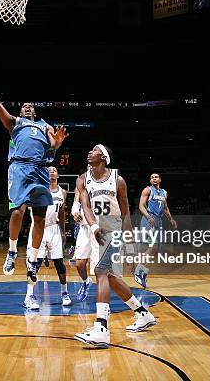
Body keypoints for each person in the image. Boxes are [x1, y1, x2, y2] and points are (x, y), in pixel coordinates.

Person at [0, 62, 68, 310]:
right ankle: (11, 251)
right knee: (18, 211)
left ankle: (32, 260)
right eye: (24, 105)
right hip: (20, 169)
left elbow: (52, 147)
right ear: (21, 111)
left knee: (39, 219)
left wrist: (58, 143)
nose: (28, 105)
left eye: (31, 104)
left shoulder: (45, 126)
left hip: (40, 170)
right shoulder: (14, 123)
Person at [74, 145, 156, 349]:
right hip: (96, 232)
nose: (89, 152)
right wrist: (93, 226)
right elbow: (85, 205)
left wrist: (130, 249)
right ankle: (142, 314)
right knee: (109, 277)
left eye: (93, 150)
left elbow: (126, 213)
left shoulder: (118, 180)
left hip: (113, 232)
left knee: (101, 272)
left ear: (103, 156)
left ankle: (101, 328)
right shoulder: (83, 178)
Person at [24, 166, 71, 308]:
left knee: (59, 263)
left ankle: (64, 293)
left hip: (54, 229)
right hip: (39, 228)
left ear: (58, 175)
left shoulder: (62, 192)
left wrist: (63, 232)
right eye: (49, 170)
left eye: (54, 170)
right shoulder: (36, 189)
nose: (52, 171)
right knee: (34, 265)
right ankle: (29, 296)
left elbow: (62, 213)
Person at [136, 173, 177, 287]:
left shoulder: (164, 193)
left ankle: (142, 272)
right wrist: (148, 217)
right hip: (149, 219)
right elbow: (141, 205)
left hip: (159, 221)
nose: (154, 178)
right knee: (152, 246)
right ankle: (138, 271)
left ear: (160, 179)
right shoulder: (147, 190)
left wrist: (171, 219)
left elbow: (165, 208)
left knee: (157, 250)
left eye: (156, 177)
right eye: (152, 177)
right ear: (150, 180)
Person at [70, 164, 100, 302]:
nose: (90, 167)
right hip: (84, 227)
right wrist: (75, 211)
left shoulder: (105, 182)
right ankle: (86, 281)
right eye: (88, 165)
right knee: (80, 263)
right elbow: (76, 199)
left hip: (100, 228)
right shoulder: (81, 181)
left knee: (100, 269)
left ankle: (103, 301)